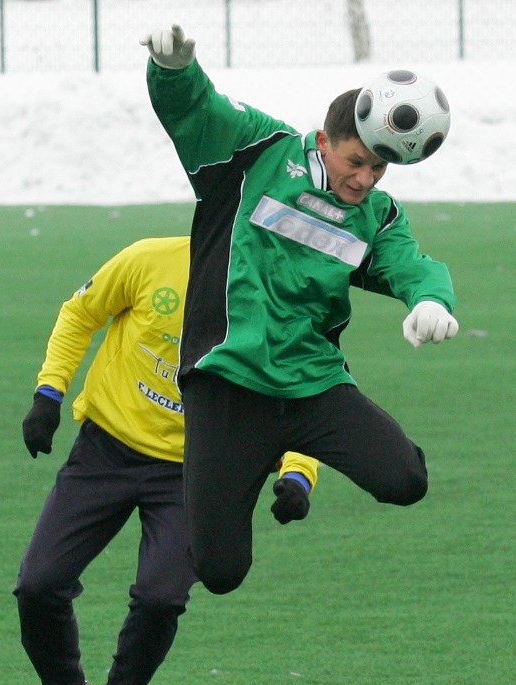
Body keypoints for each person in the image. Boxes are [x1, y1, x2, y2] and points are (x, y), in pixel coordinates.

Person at [140, 26, 459, 596]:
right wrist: (173, 71)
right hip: (228, 383)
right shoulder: (257, 151)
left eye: (378, 169)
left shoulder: (376, 215)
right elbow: (198, 109)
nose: (363, 180)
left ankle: (286, 451)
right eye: (356, 162)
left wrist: (431, 298)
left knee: (405, 479)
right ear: (325, 139)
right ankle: (252, 457)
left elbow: (408, 262)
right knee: (220, 572)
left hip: (311, 384)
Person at [14, 236, 320, 685]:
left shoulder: (281, 291)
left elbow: (307, 386)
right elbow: (80, 312)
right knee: (38, 585)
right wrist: (48, 394)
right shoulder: (148, 258)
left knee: (160, 597)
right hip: (105, 448)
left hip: (196, 471)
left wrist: (298, 472)